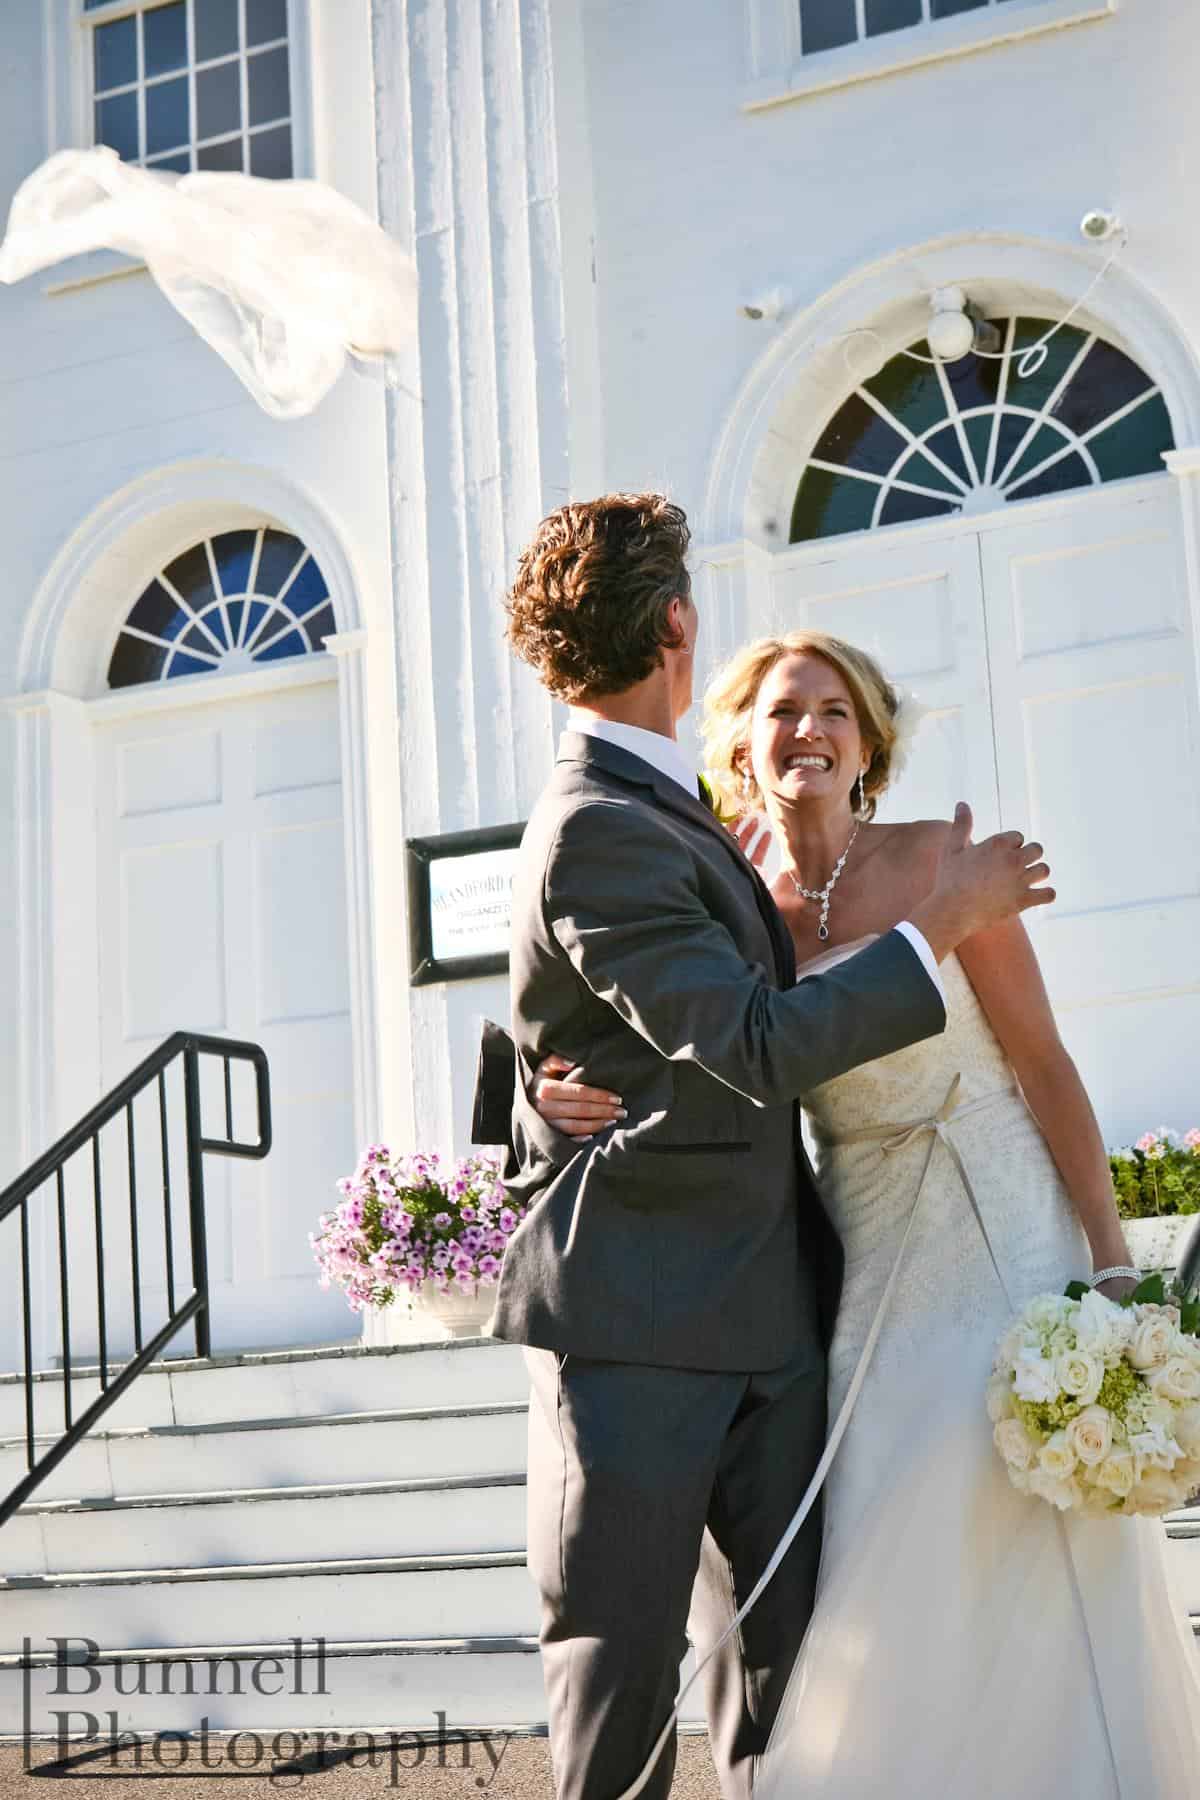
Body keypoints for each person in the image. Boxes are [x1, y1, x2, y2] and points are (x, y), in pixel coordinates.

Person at [532, 623, 1200, 1796]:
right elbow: (697, 1032)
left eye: (835, 711)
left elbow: (1045, 1067)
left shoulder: (944, 860)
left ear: (869, 741)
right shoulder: (739, 893)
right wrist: (554, 1089)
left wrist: (1109, 1260)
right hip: (852, 1253)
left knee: (1005, 1492)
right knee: (884, 1530)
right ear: (739, 739)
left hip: (998, 1223)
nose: (810, 731)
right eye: (785, 710)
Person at [481, 492, 1053, 1800]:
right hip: (634, 1326)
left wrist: (534, 1091)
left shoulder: (675, 815)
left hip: (776, 1319)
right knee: (620, 1679)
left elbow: (572, 1025)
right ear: (679, 626)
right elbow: (743, 1038)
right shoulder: (596, 824)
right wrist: (938, 929)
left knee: (789, 1687)